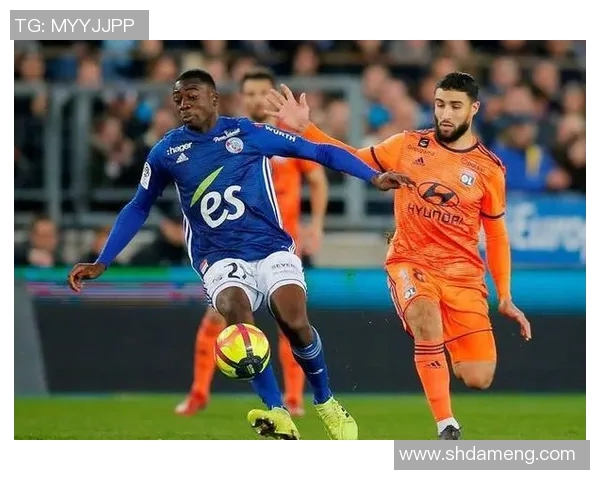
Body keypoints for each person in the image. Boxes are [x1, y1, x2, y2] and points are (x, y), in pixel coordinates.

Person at [67, 68, 409, 440]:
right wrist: (103, 260)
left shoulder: (248, 133)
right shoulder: (166, 152)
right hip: (218, 257)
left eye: (192, 96)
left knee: (294, 321)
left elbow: (317, 152)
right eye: (178, 99)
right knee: (240, 323)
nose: (184, 104)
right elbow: (138, 206)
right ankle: (277, 411)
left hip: (271, 247)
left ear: (214, 98)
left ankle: (326, 401)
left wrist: (372, 176)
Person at [265, 72, 532, 440]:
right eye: (440, 104)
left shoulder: (489, 169)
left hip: (463, 276)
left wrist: (504, 295)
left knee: (478, 376)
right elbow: (352, 158)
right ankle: (446, 425)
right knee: (425, 315)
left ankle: (438, 342)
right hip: (411, 261)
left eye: (455, 106)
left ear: (474, 109)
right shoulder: (407, 145)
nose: (445, 114)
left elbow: (497, 234)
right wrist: (306, 129)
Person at [175, 68, 328, 417]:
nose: (257, 99)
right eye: (251, 93)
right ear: (241, 97)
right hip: (234, 246)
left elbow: (318, 179)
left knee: (289, 322)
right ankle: (199, 393)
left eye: (263, 92)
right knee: (220, 317)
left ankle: (293, 398)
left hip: (281, 243)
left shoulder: (286, 135)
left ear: (273, 94)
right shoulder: (229, 137)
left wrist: (316, 225)